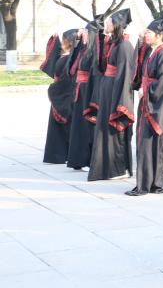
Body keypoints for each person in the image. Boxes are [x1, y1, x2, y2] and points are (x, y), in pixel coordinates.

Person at [87, 9, 137, 181]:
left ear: (116, 25)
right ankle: (107, 168)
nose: (106, 24)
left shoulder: (125, 46)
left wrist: (120, 102)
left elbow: (125, 76)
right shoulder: (114, 43)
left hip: (116, 95)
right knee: (105, 131)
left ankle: (119, 169)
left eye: (109, 22)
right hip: (108, 92)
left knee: (115, 132)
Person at [127, 18, 163, 196]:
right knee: (145, 145)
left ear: (159, 35)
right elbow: (139, 66)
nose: (146, 34)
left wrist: (146, 89)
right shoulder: (152, 51)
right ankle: (150, 182)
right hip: (146, 102)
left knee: (153, 145)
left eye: (149, 32)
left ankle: (156, 183)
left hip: (156, 106)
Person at [67, 20, 102, 171]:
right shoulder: (83, 49)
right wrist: (76, 42)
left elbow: (96, 75)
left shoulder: (95, 52)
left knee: (87, 127)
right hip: (79, 91)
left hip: (88, 91)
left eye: (86, 32)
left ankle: (88, 160)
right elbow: (71, 66)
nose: (84, 35)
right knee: (78, 126)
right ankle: (77, 160)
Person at [40, 29, 78, 164]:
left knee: (66, 126)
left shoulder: (72, 58)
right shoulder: (65, 55)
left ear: (70, 41)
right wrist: (54, 41)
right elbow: (54, 61)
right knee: (57, 128)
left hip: (64, 93)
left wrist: (54, 88)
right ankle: (56, 155)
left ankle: (63, 154)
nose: (62, 42)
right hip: (60, 91)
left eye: (64, 39)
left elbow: (67, 78)